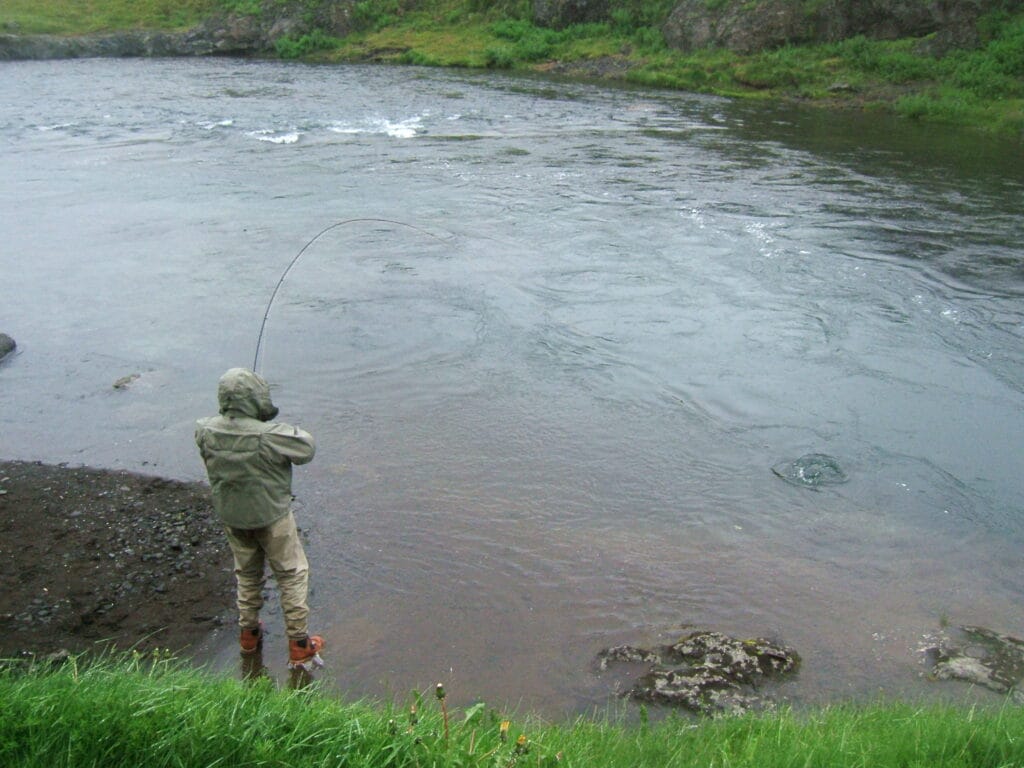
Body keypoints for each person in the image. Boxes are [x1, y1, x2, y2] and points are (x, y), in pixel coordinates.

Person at [195, 367, 324, 671]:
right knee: (292, 573)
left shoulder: (204, 429)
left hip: (232, 516)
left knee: (247, 574)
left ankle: (249, 636)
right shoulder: (270, 436)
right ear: (255, 397)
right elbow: (307, 447)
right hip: (272, 517)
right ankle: (299, 646)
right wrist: (266, 416)